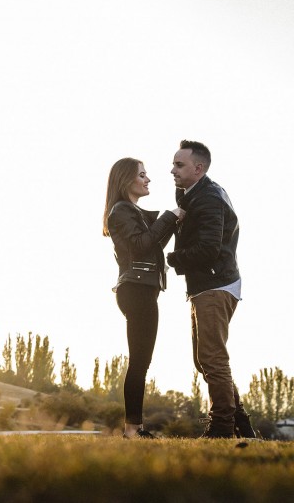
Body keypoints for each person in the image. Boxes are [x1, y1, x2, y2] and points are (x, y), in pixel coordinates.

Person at [167, 140, 257, 439]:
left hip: (216, 284)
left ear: (198, 168)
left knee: (212, 357)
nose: (172, 170)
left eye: (179, 165)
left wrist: (171, 258)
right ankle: (240, 423)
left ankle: (221, 428)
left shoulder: (208, 198)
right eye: (174, 164)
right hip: (207, 284)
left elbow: (208, 248)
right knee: (204, 358)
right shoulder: (195, 194)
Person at [103, 158, 184, 438]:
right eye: (142, 174)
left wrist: (171, 224)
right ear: (126, 180)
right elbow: (140, 247)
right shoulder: (121, 210)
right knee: (139, 361)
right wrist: (169, 218)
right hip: (136, 291)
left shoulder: (130, 211)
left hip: (140, 289)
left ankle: (134, 428)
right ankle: (132, 430)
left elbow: (151, 247)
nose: (148, 179)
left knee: (141, 360)